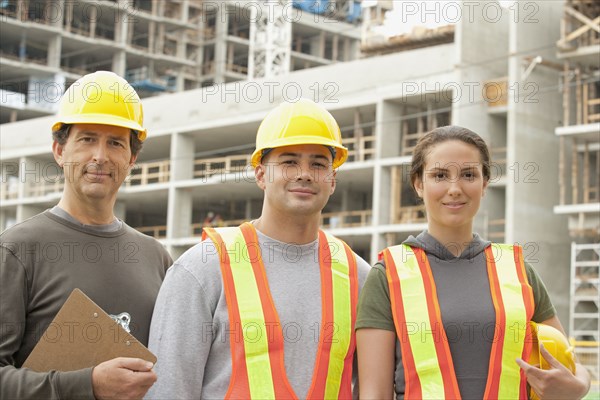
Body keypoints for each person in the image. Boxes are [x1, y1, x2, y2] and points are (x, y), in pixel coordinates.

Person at [147, 99, 371, 399]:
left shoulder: (358, 275)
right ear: (261, 175)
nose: (304, 173)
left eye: (318, 164)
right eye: (289, 161)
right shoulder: (203, 268)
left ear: (332, 180)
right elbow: (168, 390)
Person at [355, 126, 591, 399]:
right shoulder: (388, 274)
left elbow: (573, 367)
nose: (455, 189)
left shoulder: (517, 270)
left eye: (468, 175)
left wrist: (579, 386)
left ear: (485, 184)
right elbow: (374, 393)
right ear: (419, 184)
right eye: (440, 175)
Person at [0, 71, 172, 399]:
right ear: (59, 150)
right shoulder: (17, 250)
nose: (100, 156)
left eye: (116, 143)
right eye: (87, 139)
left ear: (132, 158)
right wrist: (87, 385)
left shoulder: (155, 257)